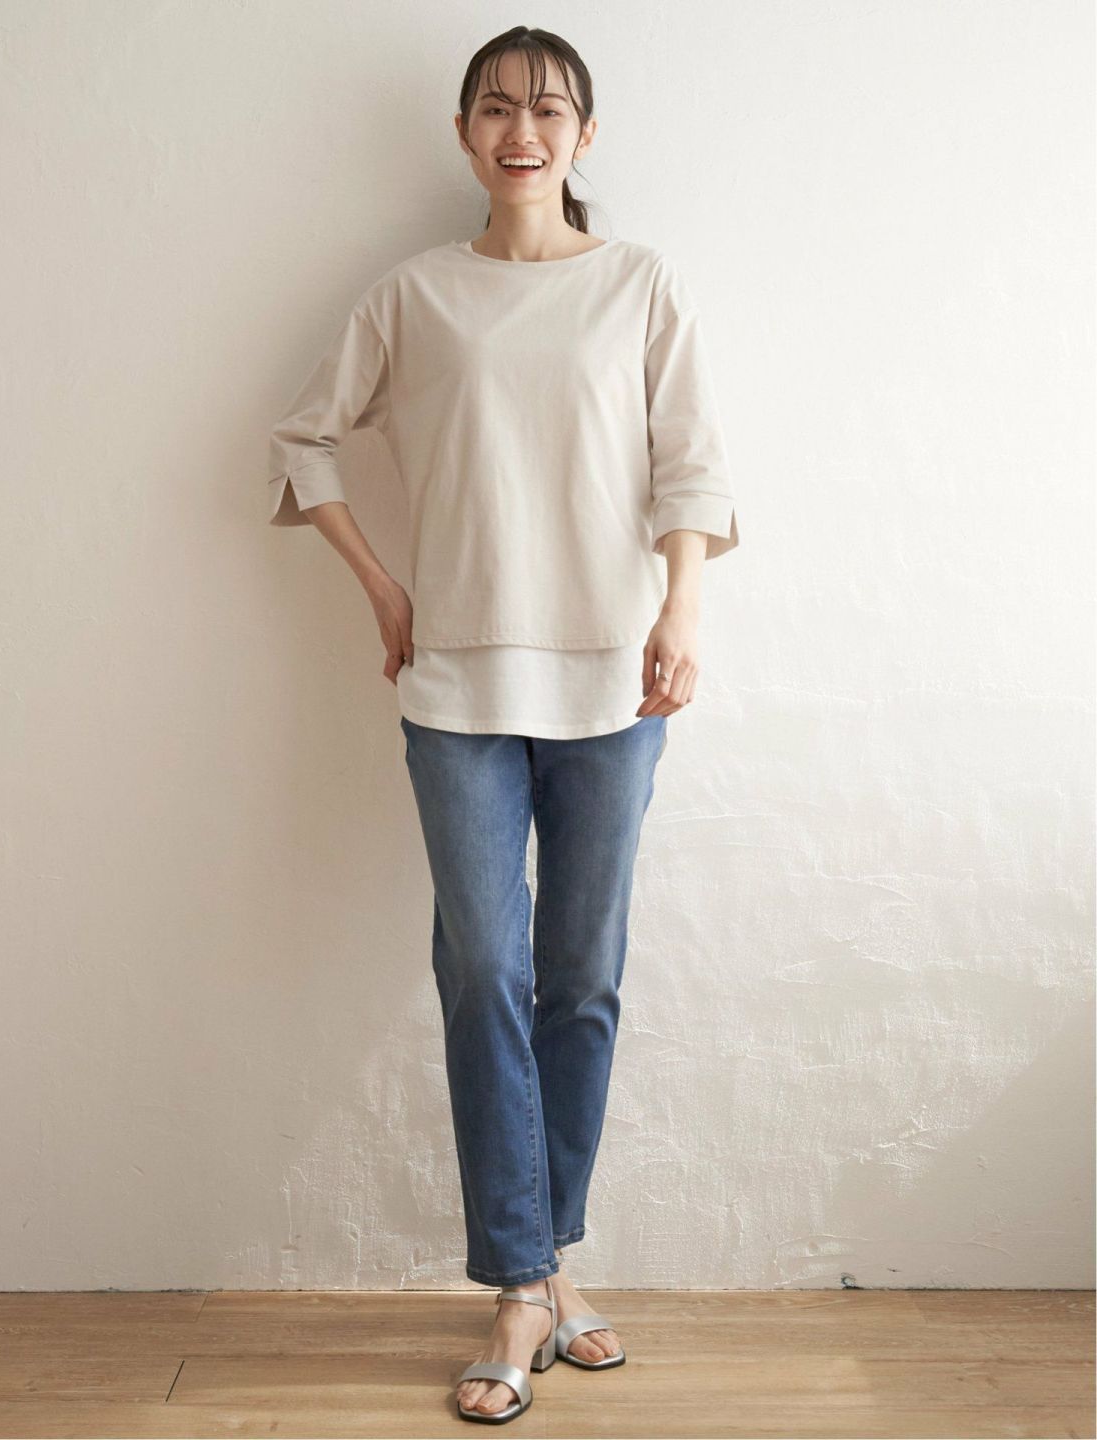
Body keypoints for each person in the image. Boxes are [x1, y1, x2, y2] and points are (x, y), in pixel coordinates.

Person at [267, 25, 741, 1426]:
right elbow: (303, 441)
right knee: (483, 969)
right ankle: (527, 1281)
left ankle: (542, 1264)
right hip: (458, 683)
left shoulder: (640, 284)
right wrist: (381, 585)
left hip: (614, 680)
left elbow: (692, 462)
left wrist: (683, 608)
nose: (520, 130)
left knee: (580, 977)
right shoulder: (414, 295)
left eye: (547, 109)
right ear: (464, 132)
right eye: (494, 107)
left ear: (584, 135)